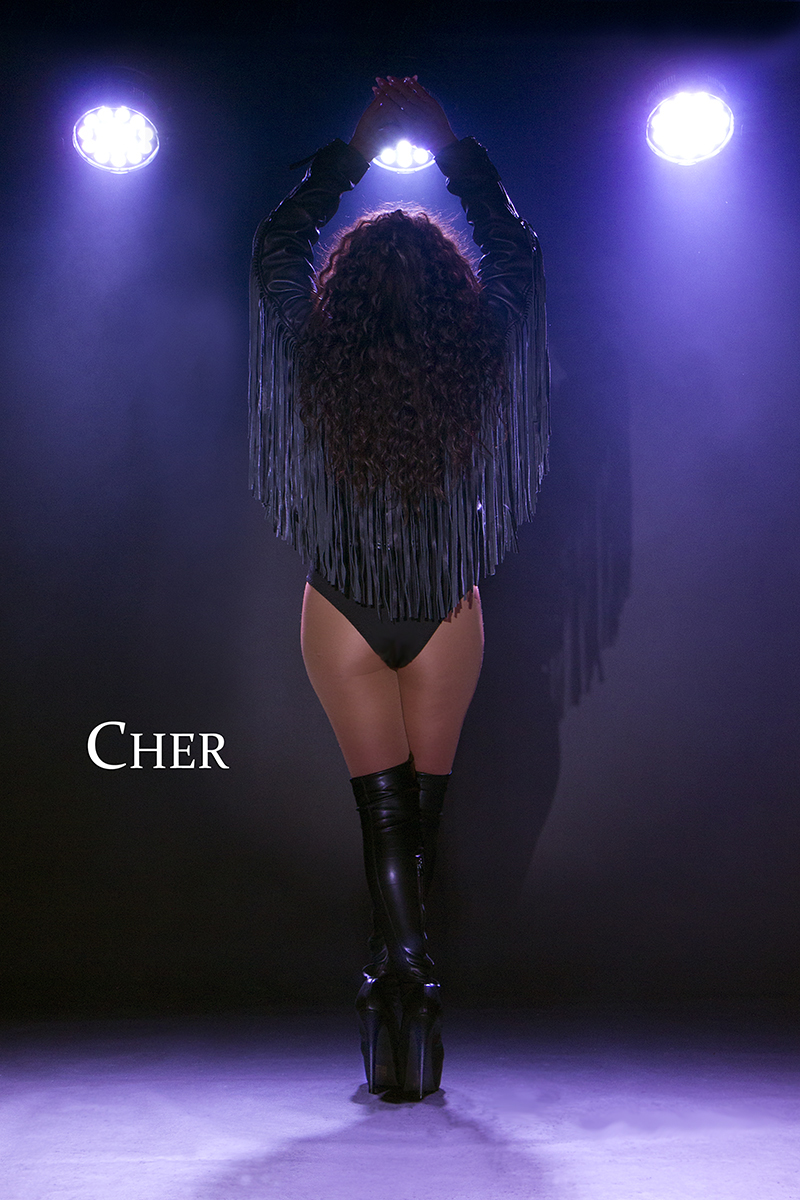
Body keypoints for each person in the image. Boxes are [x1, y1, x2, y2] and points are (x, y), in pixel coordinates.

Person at [249, 77, 548, 1098]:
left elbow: (275, 248)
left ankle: (399, 979)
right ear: (446, 295)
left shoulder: (314, 351)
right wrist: (455, 152)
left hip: (340, 608)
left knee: (383, 820)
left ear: (351, 290)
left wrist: (347, 156)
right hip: (445, 609)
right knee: (420, 820)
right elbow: (516, 255)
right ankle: (407, 986)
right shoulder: (476, 353)